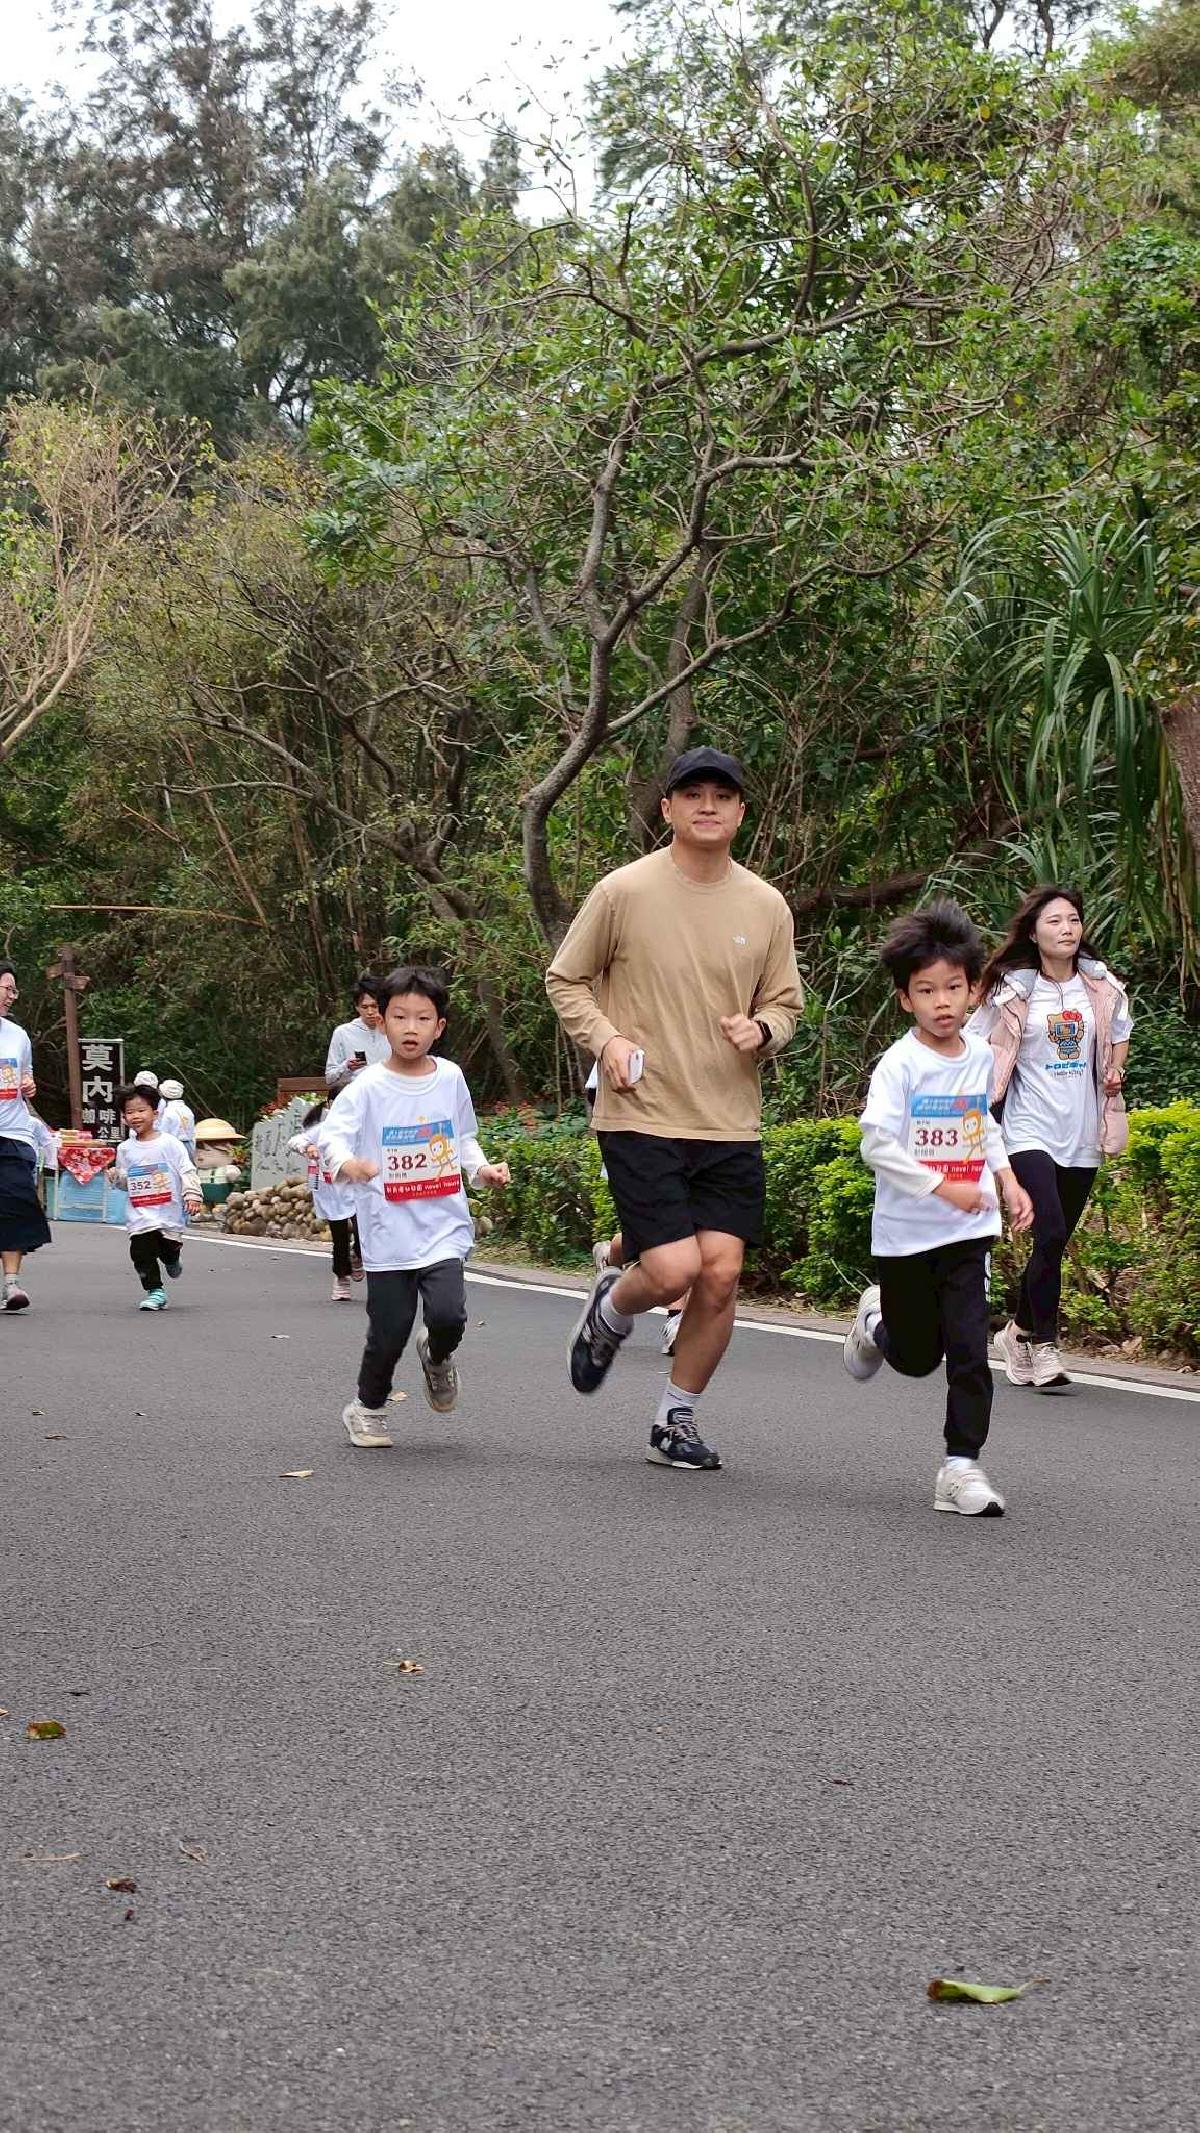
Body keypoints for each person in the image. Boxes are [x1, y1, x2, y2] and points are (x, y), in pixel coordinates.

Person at [546, 746, 804, 1472]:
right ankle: (611, 1310)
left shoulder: (766, 905)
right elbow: (566, 979)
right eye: (693, 793)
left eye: (722, 794)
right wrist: (607, 1039)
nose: (707, 805)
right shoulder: (623, 891)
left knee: (720, 1274)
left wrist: (763, 1030)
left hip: (728, 1120)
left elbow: (786, 1003)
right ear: (667, 808)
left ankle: (674, 1418)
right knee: (671, 1270)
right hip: (641, 1111)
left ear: (741, 811)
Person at [842, 901, 1033, 1517]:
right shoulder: (900, 1065)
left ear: (974, 990)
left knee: (970, 1350)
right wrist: (943, 1187)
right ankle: (876, 1322)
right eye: (926, 991)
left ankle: (961, 1467)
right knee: (917, 1357)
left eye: (953, 987)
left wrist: (1007, 1179)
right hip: (905, 1236)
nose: (942, 1002)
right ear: (906, 999)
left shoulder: (979, 1055)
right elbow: (876, 1144)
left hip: (968, 1232)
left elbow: (983, 1126)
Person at [322, 964, 511, 1447]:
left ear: (439, 1026)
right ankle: (367, 1408)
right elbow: (333, 1137)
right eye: (400, 1017)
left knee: (448, 1315)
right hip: (388, 1230)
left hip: (443, 1223)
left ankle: (438, 1354)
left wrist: (481, 1171)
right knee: (389, 1330)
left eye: (423, 1018)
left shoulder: (449, 1078)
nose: (411, 1028)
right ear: (381, 1021)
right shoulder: (367, 1086)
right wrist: (349, 1163)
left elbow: (462, 1136)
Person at [968, 885, 1134, 1390]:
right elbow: (974, 1040)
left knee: (1053, 1243)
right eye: (1055, 921)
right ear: (1034, 933)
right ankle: (1044, 1345)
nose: (1067, 929)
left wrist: (1115, 1070)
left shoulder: (1101, 986)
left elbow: (1120, 1031)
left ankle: (1016, 1331)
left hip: (1081, 1129)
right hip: (1027, 1127)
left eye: (1074, 920)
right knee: (1051, 1231)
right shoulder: (1012, 991)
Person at [585, 1063, 689, 1355]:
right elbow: (596, 1091)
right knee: (665, 1237)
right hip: (639, 1150)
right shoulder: (626, 1038)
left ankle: (611, 1257)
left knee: (685, 1232)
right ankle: (675, 1318)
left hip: (693, 1147)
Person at [111, 1083, 203, 1310]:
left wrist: (192, 1194)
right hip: (140, 1211)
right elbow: (126, 1182)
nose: (135, 1116)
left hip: (168, 1210)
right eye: (130, 1112)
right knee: (140, 1250)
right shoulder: (125, 1149)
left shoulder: (170, 1143)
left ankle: (172, 1258)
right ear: (123, 1117)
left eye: (141, 1110)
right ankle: (155, 1291)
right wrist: (116, 1177)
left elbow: (186, 1169)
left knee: (168, 1247)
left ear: (155, 1113)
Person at [0, 962, 52, 1310]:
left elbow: (26, 1076)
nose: (11, 996)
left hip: (14, 1132)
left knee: (15, 1203)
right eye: (7, 988)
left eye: (13, 990)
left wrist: (28, 1084)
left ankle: (12, 1284)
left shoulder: (18, 1035)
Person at [289, 1101, 364, 1303]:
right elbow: (295, 1141)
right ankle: (341, 1277)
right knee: (340, 1237)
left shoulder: (363, 1125)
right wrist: (309, 1146)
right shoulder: (324, 1129)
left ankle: (358, 1254)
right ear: (332, 1104)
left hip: (359, 1188)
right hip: (332, 1191)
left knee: (365, 1230)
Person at [325, 977, 389, 1093]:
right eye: (364, 1007)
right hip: (357, 1096)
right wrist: (347, 1067)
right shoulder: (343, 1032)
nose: (370, 1012)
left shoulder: (394, 1031)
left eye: (374, 1006)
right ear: (357, 1007)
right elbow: (330, 1079)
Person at [158, 1078, 197, 1163]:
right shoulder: (187, 1110)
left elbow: (162, 1134)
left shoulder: (167, 1112)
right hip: (190, 1147)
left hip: (173, 1148)